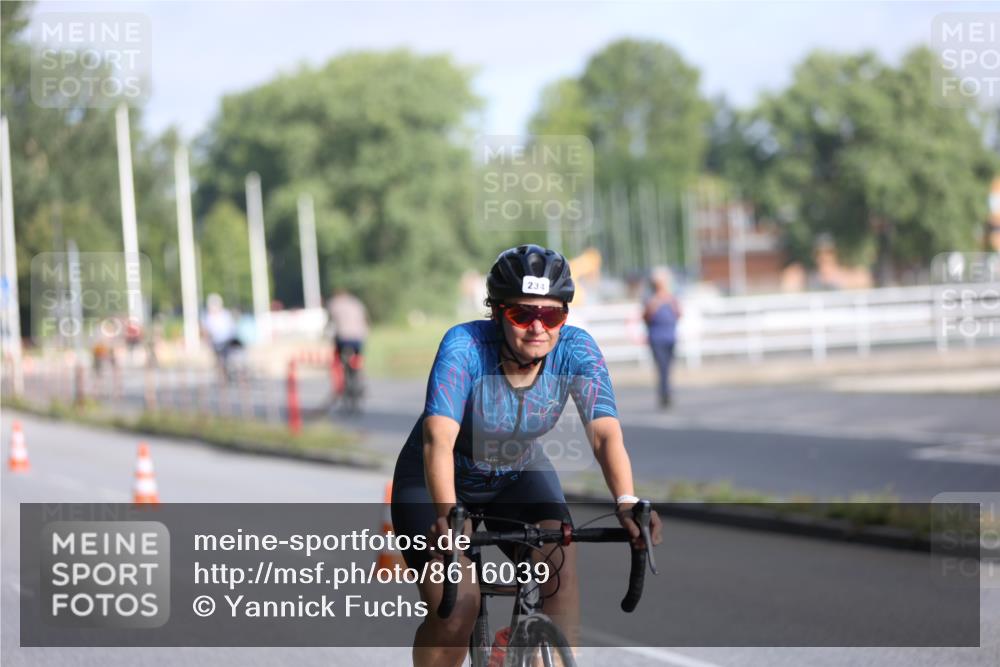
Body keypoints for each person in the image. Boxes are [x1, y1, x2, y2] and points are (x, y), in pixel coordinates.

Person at [390, 244, 662, 667]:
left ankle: (534, 653)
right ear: (497, 312)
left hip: (515, 474)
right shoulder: (464, 345)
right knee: (457, 609)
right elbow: (437, 440)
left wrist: (626, 502)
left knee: (560, 569)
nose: (538, 327)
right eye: (522, 314)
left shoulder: (577, 350)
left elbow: (605, 435)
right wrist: (447, 515)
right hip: (435, 480)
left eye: (551, 316)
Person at [643, 267, 682, 409]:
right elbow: (646, 317)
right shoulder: (650, 298)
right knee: (661, 366)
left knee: (668, 367)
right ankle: (664, 394)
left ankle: (666, 392)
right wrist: (656, 303)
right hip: (656, 338)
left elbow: (678, 314)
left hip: (670, 337)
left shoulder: (671, 297)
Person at [202, 293, 237, 377]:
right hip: (215, 342)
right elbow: (206, 331)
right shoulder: (208, 317)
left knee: (225, 359)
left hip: (226, 341)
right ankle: (222, 374)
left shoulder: (225, 315)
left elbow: (231, 329)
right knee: (218, 360)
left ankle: (225, 373)